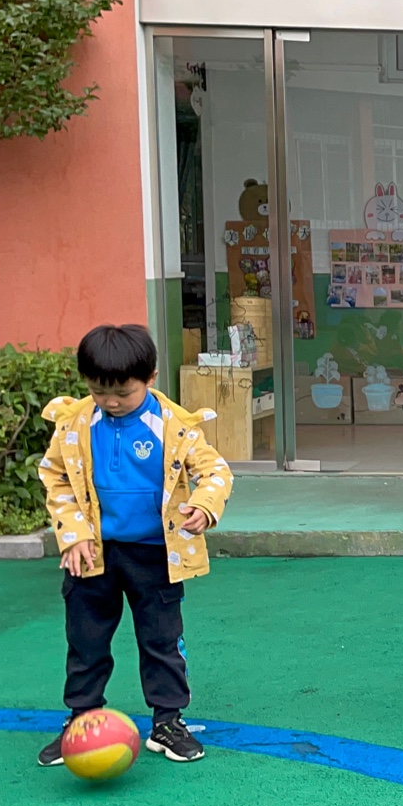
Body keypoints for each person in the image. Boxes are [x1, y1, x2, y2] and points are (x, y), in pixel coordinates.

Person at [36, 324, 234, 767]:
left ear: (150, 377)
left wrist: (204, 505)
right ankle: (81, 719)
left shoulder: (173, 425)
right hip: (91, 553)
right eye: (98, 391)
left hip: (155, 554)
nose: (110, 401)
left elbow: (215, 471)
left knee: (162, 641)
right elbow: (55, 476)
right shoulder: (75, 423)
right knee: (85, 641)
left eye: (123, 393)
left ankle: (167, 722)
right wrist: (73, 533)